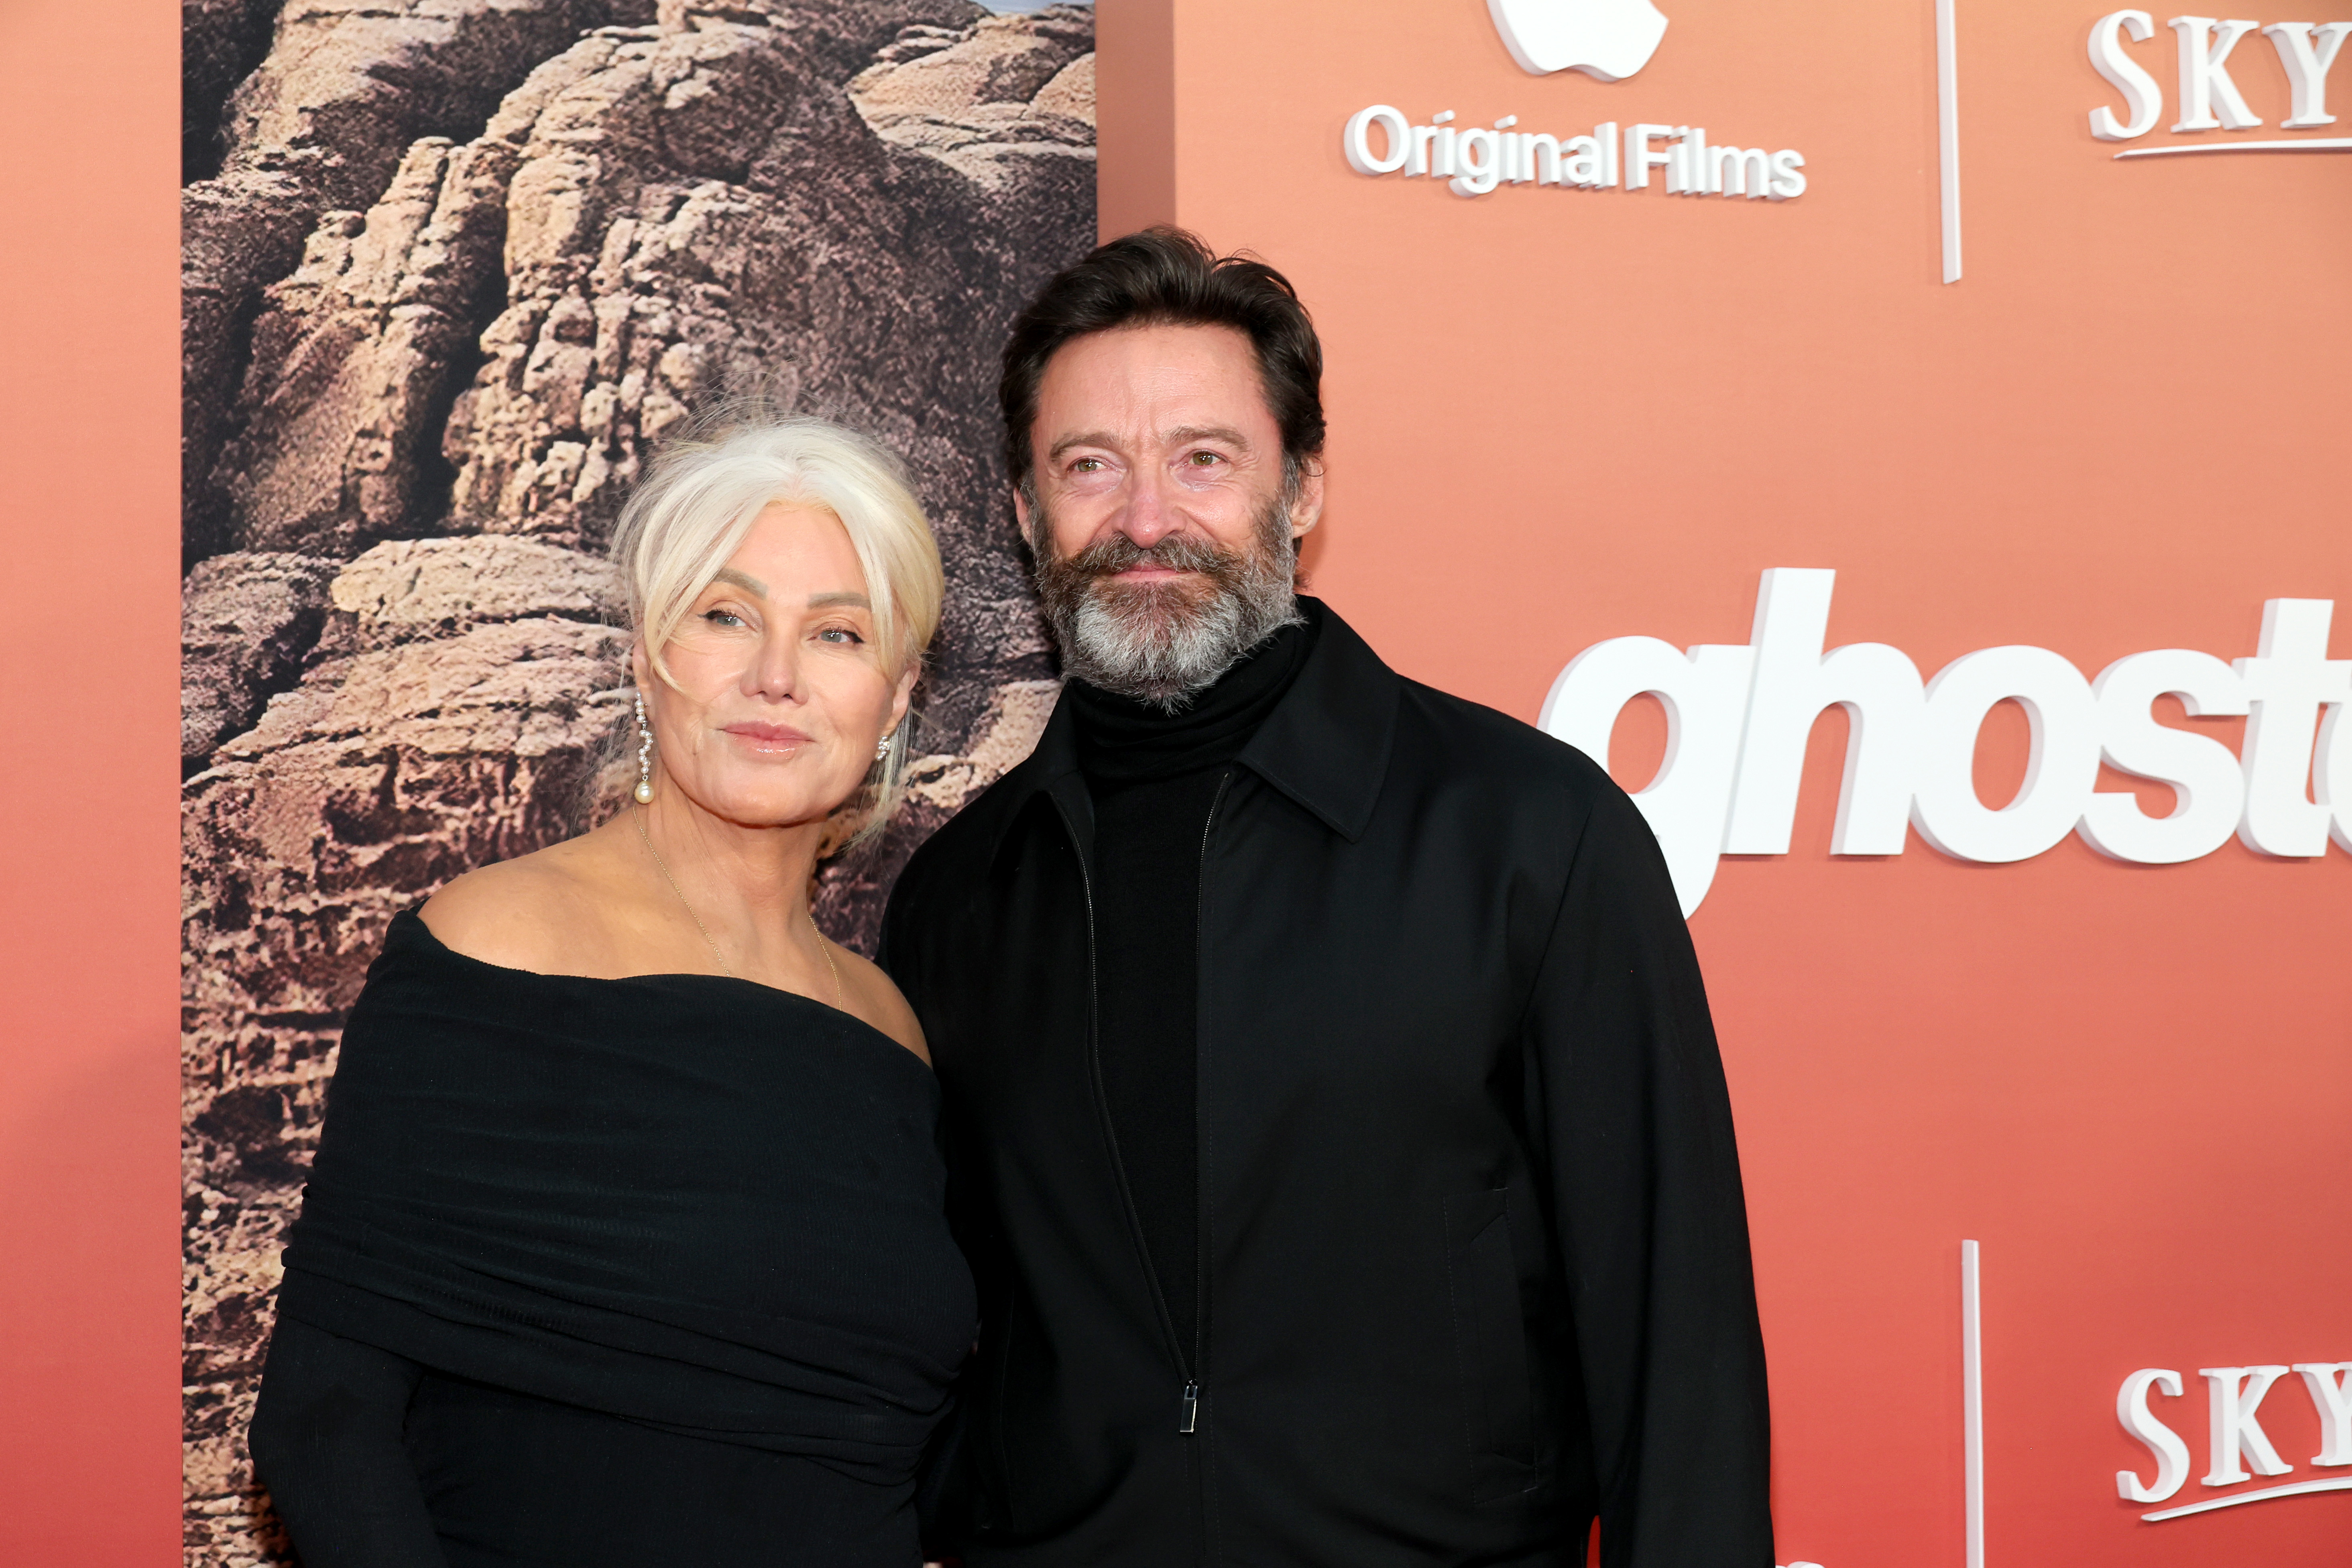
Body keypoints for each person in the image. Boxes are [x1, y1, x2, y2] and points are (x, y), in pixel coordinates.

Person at [879, 230, 1773, 1567]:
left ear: (1298, 491)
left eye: (1203, 458)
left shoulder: (1527, 829)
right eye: (1088, 466)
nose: (1143, 518)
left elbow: (1673, 1335)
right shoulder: (960, 894)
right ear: (1021, 511)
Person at [249, 416, 976, 1568]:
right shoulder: (498, 944)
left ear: (893, 703)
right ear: (649, 653)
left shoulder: (890, 1030)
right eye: (726, 615)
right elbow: (324, 1422)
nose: (776, 676)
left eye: (837, 633)